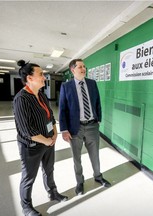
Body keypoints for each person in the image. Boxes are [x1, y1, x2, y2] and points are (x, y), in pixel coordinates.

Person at [13, 60, 68, 216]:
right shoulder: (21, 99)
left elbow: (50, 116)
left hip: (49, 142)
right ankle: (26, 206)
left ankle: (52, 192)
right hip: (31, 146)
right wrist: (46, 140)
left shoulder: (42, 96)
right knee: (28, 177)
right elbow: (26, 130)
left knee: (49, 170)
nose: (44, 77)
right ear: (29, 78)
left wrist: (55, 133)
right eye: (41, 74)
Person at [59, 58, 111, 196]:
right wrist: (64, 129)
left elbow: (98, 102)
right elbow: (62, 109)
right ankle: (80, 182)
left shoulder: (92, 83)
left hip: (92, 126)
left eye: (84, 66)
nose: (83, 69)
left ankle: (98, 176)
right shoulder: (66, 86)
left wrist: (98, 119)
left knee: (95, 155)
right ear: (73, 70)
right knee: (77, 158)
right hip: (75, 128)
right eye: (80, 67)